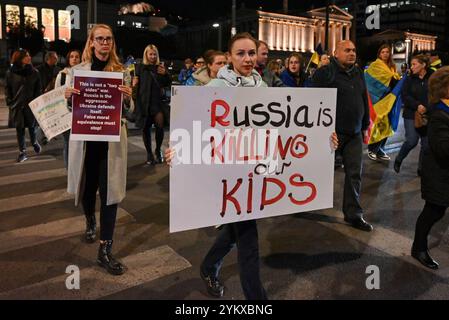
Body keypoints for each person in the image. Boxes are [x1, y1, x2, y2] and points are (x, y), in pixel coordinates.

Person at [166, 32, 339, 299]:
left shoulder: (262, 88)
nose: (247, 59)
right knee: (248, 239)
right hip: (226, 173)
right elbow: (191, 126)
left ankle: (209, 266)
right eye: (240, 54)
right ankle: (256, 298)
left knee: (236, 232)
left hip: (254, 172)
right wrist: (175, 149)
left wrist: (322, 138)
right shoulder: (215, 88)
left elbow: (288, 125)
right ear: (230, 57)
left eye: (251, 53)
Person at [64, 24, 133, 275]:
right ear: (91, 42)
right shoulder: (77, 71)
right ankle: (90, 219)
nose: (105, 43)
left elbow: (129, 111)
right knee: (87, 189)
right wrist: (69, 97)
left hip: (111, 144)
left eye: (109, 39)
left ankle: (105, 249)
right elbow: (69, 111)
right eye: (100, 39)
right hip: (86, 143)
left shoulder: (121, 71)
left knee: (109, 194)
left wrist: (127, 98)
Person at [311, 40, 373, 232]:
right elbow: (313, 101)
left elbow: (363, 97)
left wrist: (364, 125)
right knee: (315, 170)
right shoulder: (325, 72)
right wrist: (321, 131)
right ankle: (299, 200)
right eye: (347, 50)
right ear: (336, 53)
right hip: (331, 134)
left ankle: (354, 214)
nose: (352, 53)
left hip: (354, 133)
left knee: (354, 174)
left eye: (354, 50)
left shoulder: (358, 72)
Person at [411, 66, 449, 269]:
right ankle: (419, 248)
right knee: (434, 212)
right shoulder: (438, 115)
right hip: (438, 174)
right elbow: (443, 149)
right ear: (445, 88)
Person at [394, 55, 433, 175]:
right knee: (411, 141)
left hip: (428, 114)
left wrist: (427, 106)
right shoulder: (409, 79)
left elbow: (436, 94)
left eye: (414, 64)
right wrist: (417, 105)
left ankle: (422, 169)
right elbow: (405, 96)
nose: (411, 67)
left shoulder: (433, 77)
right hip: (411, 113)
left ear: (423, 65)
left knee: (426, 145)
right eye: (411, 64)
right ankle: (399, 159)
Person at [134, 44, 170, 164]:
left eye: (155, 54)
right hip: (144, 102)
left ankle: (158, 150)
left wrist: (165, 74)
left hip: (157, 101)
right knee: (146, 129)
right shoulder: (140, 67)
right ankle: (149, 154)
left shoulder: (160, 67)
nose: (153, 56)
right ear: (146, 54)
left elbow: (167, 83)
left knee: (160, 127)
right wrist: (134, 84)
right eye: (151, 54)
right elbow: (136, 84)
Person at [5, 49, 42, 163]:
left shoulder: (34, 72)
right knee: (19, 129)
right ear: (19, 58)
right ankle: (23, 152)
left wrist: (36, 102)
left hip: (30, 105)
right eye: (26, 56)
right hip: (17, 106)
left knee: (32, 127)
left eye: (29, 55)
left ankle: (34, 142)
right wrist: (10, 102)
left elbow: (38, 89)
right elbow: (8, 89)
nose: (29, 57)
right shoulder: (10, 72)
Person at [365, 44, 401, 161]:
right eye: (383, 52)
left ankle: (380, 149)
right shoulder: (375, 65)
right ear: (379, 54)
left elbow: (393, 80)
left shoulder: (392, 66)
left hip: (389, 99)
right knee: (378, 124)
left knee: (387, 124)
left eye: (387, 52)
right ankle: (372, 149)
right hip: (378, 99)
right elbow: (369, 81)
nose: (385, 54)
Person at [55, 49, 81, 169]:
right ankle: (69, 170)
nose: (74, 59)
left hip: (80, 115)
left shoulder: (85, 74)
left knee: (79, 145)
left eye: (77, 56)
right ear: (68, 59)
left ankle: (78, 170)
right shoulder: (62, 75)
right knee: (67, 143)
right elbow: (56, 95)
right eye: (72, 57)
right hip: (66, 115)